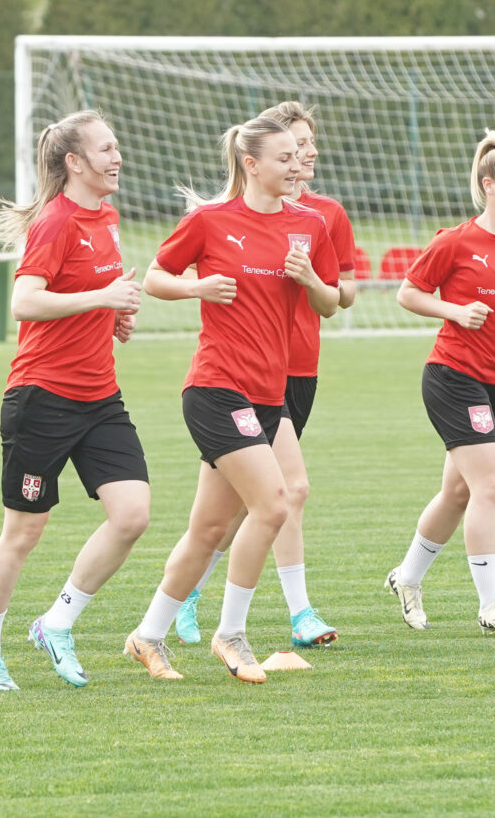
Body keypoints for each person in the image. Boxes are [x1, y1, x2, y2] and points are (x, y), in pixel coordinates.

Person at [122, 113, 341, 684]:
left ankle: (146, 636)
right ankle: (231, 633)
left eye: (300, 156)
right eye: (285, 158)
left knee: (208, 531)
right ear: (251, 164)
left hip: (271, 396)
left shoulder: (309, 226)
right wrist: (197, 286)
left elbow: (329, 303)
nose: (297, 166)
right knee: (274, 503)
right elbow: (155, 278)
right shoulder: (211, 221)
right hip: (217, 388)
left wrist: (310, 279)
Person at [0, 111, 149, 691]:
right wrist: (101, 295)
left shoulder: (107, 218)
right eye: (106, 148)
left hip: (101, 397)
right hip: (41, 398)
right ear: (74, 162)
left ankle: (57, 621)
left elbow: (89, 294)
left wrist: (114, 313)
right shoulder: (56, 221)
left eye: (117, 147)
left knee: (132, 515)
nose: (117, 157)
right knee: (23, 533)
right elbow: (25, 301)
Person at [175, 101, 357, 649]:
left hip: (296, 371)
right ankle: (292, 612)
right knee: (281, 493)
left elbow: (343, 293)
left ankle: (184, 597)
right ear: (263, 157)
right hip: (239, 376)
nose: (307, 154)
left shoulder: (324, 217)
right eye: (295, 145)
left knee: (252, 502)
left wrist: (309, 280)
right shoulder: (227, 219)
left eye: (308, 145)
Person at [383, 130, 495, 635]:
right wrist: (455, 311)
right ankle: (492, 605)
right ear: (489, 185)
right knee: (491, 483)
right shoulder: (455, 241)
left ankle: (408, 577)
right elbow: (408, 293)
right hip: (453, 375)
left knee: (458, 492)